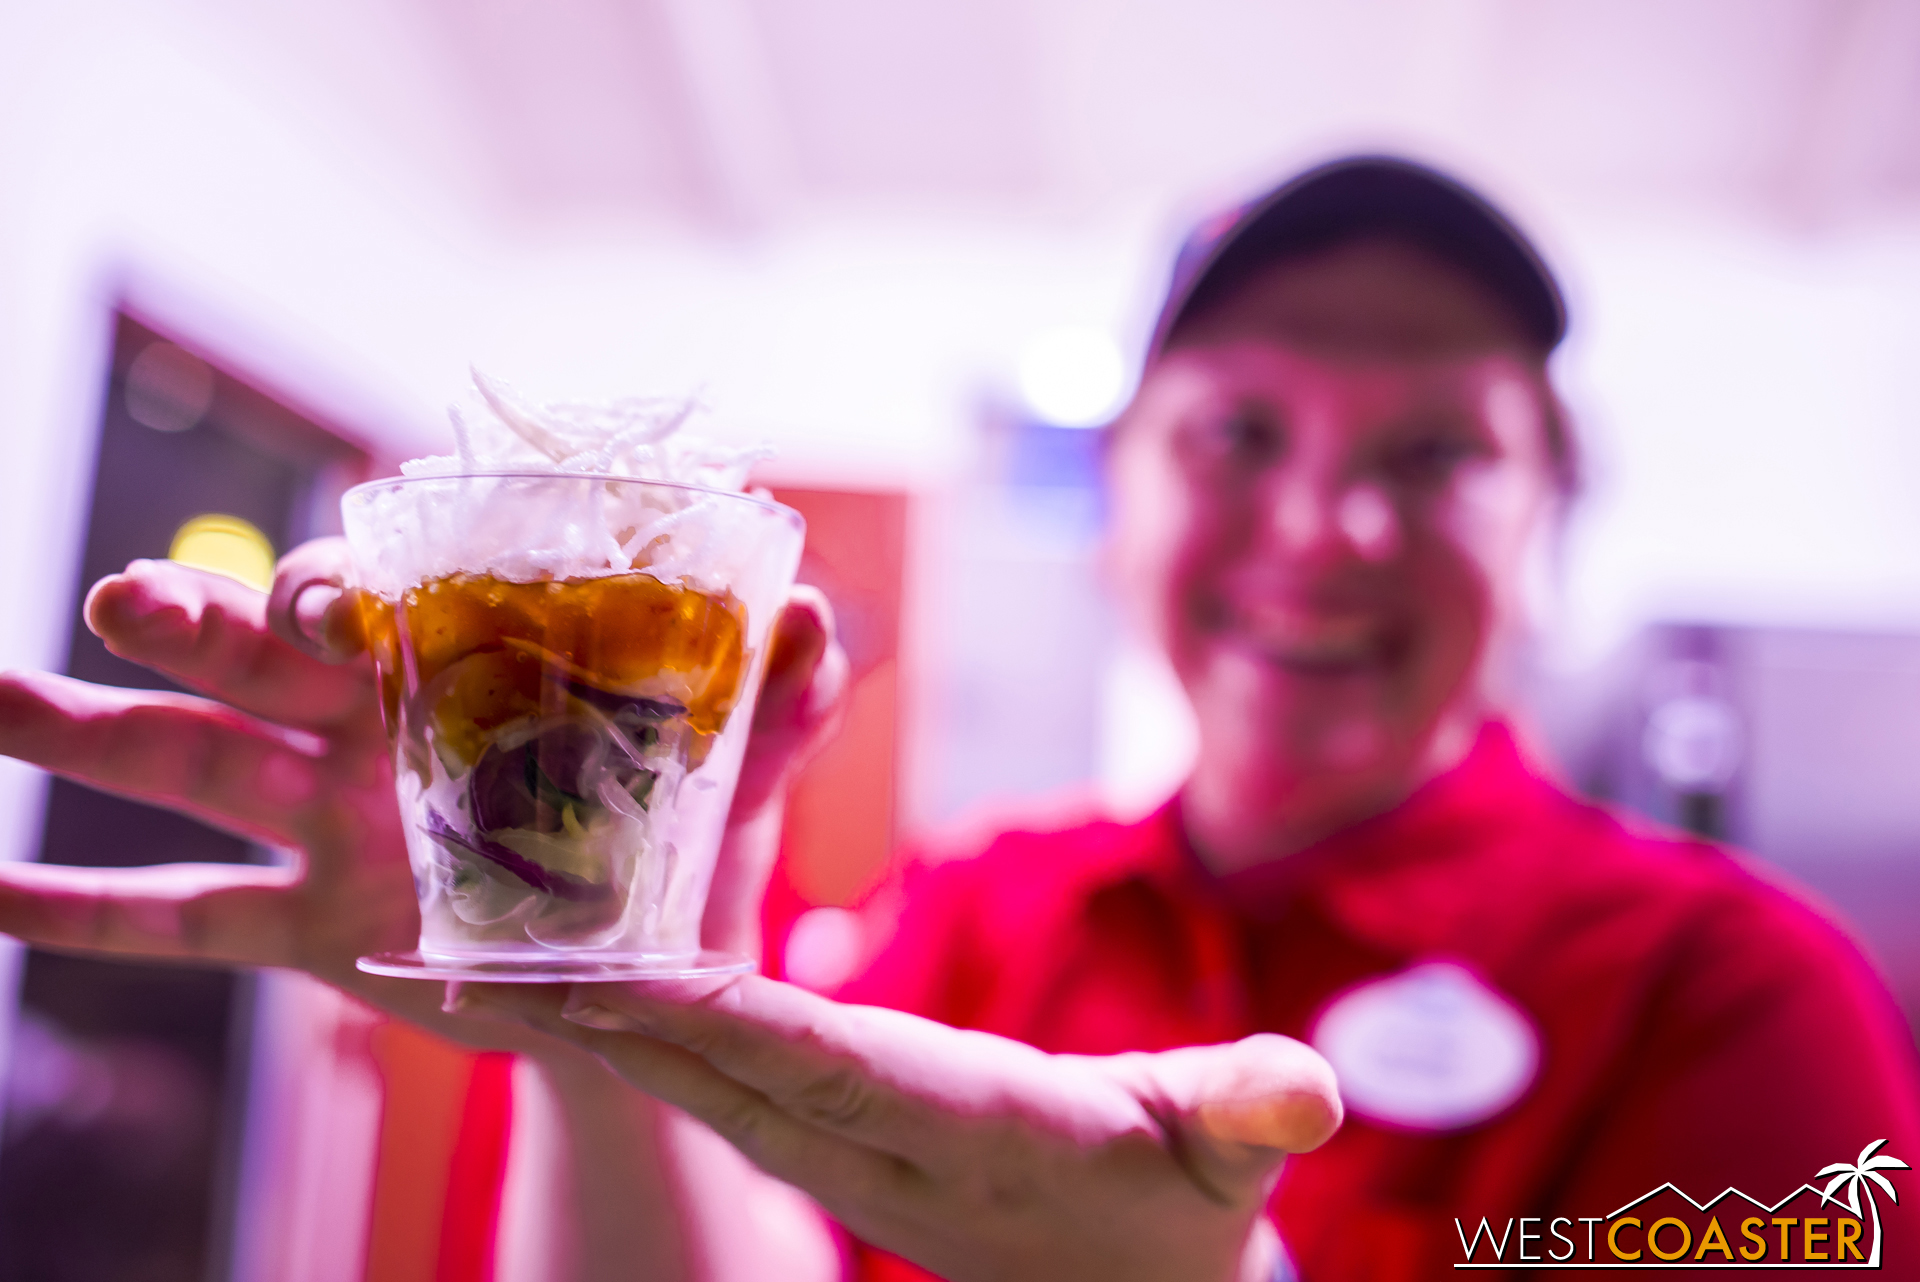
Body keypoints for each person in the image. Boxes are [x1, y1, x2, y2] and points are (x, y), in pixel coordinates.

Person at [0, 156, 1915, 1281]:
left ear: (1548, 516)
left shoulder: (1742, 995)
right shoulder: (970, 916)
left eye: (1436, 452)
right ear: (1125, 491)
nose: (1324, 530)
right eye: (1240, 433)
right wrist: (595, 1005)